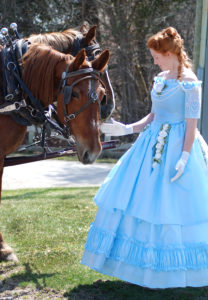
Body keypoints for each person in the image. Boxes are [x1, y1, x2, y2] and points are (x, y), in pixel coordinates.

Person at [81, 27, 208, 289]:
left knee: (172, 207)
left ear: (169, 53)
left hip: (178, 146)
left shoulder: (190, 83)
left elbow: (191, 124)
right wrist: (127, 128)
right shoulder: (160, 79)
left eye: (156, 56)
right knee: (138, 202)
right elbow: (153, 116)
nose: (154, 61)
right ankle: (137, 269)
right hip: (149, 145)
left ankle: (173, 272)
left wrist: (184, 157)